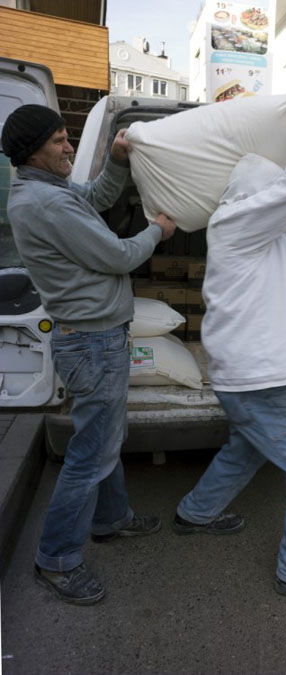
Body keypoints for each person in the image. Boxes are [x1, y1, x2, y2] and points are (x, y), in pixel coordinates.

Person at [173, 81, 286, 596]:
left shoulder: (260, 243)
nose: (284, 209)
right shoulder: (233, 222)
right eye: (279, 202)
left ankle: (194, 514)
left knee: (245, 450)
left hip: (245, 379)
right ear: (255, 197)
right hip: (256, 382)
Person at [2, 104, 176, 605]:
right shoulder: (46, 205)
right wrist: (157, 231)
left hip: (96, 338)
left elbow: (97, 195)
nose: (69, 146)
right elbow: (117, 255)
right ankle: (55, 560)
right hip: (92, 343)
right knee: (88, 456)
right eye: (59, 141)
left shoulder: (51, 192)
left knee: (105, 438)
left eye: (67, 137)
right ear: (32, 150)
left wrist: (118, 159)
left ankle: (110, 518)